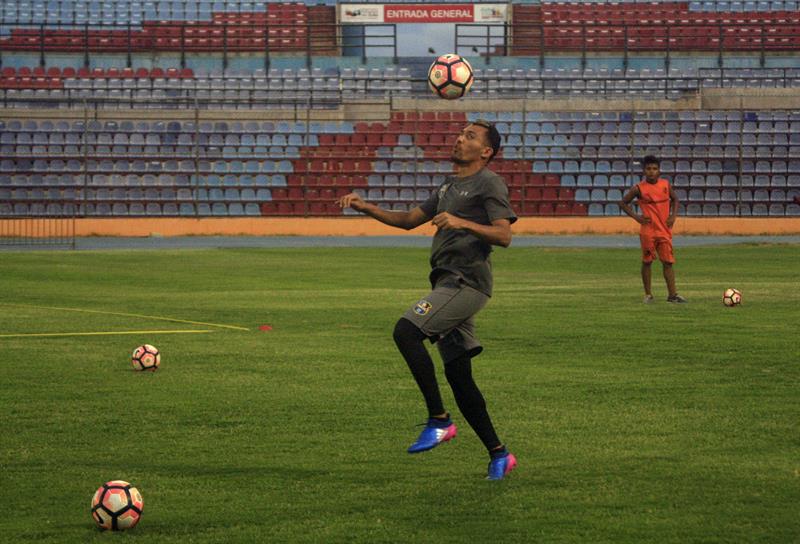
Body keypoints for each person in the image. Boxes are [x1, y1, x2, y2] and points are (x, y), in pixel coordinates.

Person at [337, 120, 518, 480]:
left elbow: (504, 235)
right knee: (460, 377)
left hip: (466, 284)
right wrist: (366, 207)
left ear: (486, 152)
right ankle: (500, 454)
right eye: (460, 133)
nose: (459, 138)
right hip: (448, 282)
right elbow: (408, 220)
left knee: (406, 331)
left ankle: (439, 420)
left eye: (470, 136)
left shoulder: (489, 182)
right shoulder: (449, 185)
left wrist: (462, 223)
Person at [620, 155, 687, 304]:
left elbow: (675, 199)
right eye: (648, 169)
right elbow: (623, 203)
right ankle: (648, 294)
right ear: (644, 171)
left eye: (654, 169)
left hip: (664, 230)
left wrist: (673, 216)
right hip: (648, 231)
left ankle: (672, 295)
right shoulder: (638, 188)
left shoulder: (665, 185)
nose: (651, 171)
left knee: (668, 262)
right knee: (647, 261)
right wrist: (637, 217)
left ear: (659, 170)